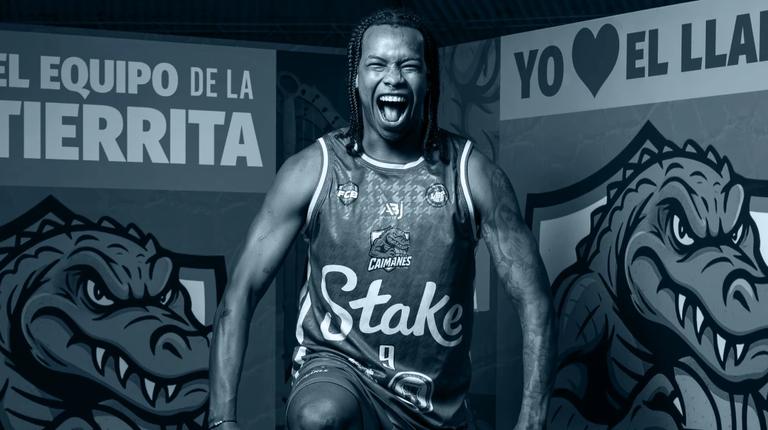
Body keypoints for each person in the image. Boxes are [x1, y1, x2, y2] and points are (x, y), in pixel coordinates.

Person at [208, 9, 554, 430]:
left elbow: (534, 298)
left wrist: (532, 420)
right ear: (356, 78)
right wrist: (221, 421)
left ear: (428, 79)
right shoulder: (313, 170)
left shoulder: (472, 174)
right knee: (319, 417)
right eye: (377, 64)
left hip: (432, 408)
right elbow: (240, 291)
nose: (393, 78)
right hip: (338, 374)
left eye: (408, 65)